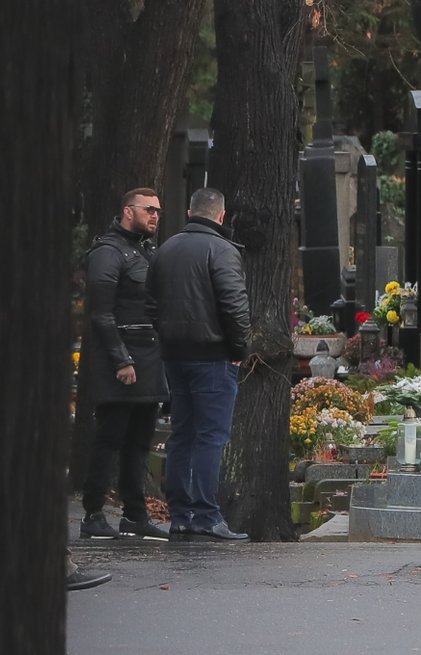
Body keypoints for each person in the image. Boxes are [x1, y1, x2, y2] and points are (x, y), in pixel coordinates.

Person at [146, 188, 251, 543]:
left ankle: (179, 515)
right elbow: (234, 304)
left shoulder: (166, 249)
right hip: (214, 355)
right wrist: (239, 347)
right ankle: (206, 515)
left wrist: (166, 339)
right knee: (210, 437)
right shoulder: (222, 250)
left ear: (190, 211)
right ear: (220, 216)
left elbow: (151, 302)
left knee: (182, 434)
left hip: (175, 355)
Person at [80, 188, 170, 541]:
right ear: (127, 211)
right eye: (149, 209)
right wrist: (121, 359)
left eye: (158, 211)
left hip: (149, 354)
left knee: (139, 441)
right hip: (122, 358)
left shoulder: (147, 251)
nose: (155, 216)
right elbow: (101, 314)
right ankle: (92, 513)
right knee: (110, 438)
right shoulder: (108, 251)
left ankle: (135, 515)